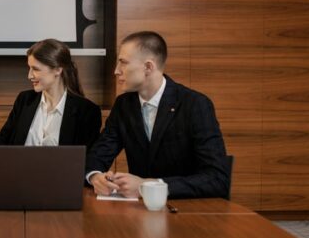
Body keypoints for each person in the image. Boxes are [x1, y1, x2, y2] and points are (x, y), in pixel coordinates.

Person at [86, 31, 230, 199]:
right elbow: (98, 154)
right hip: (137, 209)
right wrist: (95, 176)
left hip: (187, 207)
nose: (116, 71)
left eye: (123, 63)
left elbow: (217, 179)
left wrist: (148, 186)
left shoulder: (195, 104)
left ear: (148, 67)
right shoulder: (123, 105)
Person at [0, 39, 101, 150]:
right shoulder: (24, 100)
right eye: (29, 68)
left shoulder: (88, 111)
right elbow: (4, 143)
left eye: (35, 69)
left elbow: (86, 161)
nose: (29, 76)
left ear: (57, 70)